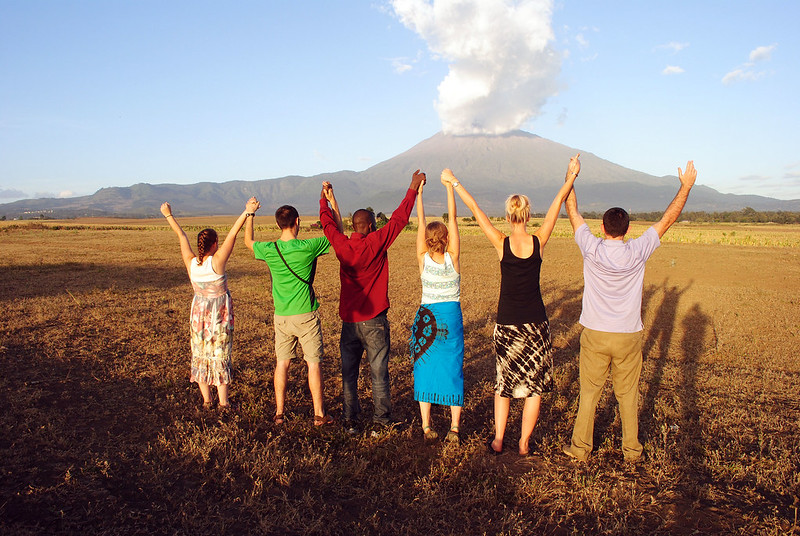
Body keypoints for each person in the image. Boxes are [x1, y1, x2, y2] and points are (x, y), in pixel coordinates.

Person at [442, 155, 581, 456]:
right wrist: (571, 177)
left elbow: (476, 210)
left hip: (506, 324)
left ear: (508, 216)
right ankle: (524, 443)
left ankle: (498, 439)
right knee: (534, 387)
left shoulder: (500, 242)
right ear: (528, 216)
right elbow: (558, 202)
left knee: (503, 384)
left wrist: (454, 182)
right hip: (535, 324)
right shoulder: (539, 240)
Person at [562, 160, 697, 463]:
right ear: (628, 229)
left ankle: (581, 448)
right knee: (628, 395)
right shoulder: (638, 250)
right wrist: (686, 187)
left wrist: (571, 176)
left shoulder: (591, 247)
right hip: (628, 335)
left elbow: (572, 212)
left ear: (602, 228)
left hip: (595, 333)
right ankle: (632, 451)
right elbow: (668, 219)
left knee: (589, 394)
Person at [320, 170, 426, 434]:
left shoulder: (343, 246)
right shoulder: (377, 242)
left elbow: (328, 225)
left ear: (354, 226)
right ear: (368, 226)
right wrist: (413, 186)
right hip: (375, 320)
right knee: (378, 373)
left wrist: (325, 200)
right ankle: (381, 420)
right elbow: (400, 218)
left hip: (349, 322)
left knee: (349, 374)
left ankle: (350, 420)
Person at [160, 197, 260, 412]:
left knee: (200, 354)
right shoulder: (217, 262)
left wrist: (168, 215)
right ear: (215, 244)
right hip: (219, 317)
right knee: (220, 354)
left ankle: (207, 400)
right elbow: (233, 234)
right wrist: (247, 211)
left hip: (198, 316)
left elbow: (181, 235)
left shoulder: (191, 263)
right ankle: (224, 402)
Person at [245, 204, 333, 427]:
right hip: (306, 315)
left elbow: (248, 241)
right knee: (313, 364)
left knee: (282, 363)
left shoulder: (270, 249)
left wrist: (250, 213)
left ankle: (280, 413)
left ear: (277, 224)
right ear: (297, 221)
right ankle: (319, 414)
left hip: (281, 316)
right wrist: (330, 204)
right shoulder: (308, 246)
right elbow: (336, 232)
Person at [410, 171, 464, 443]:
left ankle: (427, 426)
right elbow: (453, 219)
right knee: (453, 367)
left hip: (427, 318)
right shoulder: (453, 259)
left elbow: (420, 223)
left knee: (425, 368)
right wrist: (449, 187)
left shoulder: (423, 259)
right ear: (445, 239)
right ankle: (454, 427)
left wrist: (419, 194)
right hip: (450, 317)